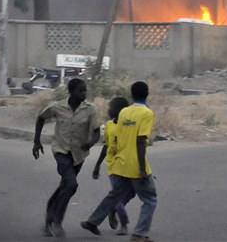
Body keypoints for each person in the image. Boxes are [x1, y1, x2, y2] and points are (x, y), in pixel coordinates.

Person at [81, 81, 157, 242]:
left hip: (121, 163)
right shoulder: (147, 113)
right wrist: (142, 169)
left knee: (114, 195)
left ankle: (92, 221)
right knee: (150, 199)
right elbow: (140, 141)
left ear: (131, 94)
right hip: (136, 165)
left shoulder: (123, 113)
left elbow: (119, 139)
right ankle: (139, 234)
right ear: (147, 93)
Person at [32, 78, 102, 238]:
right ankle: (57, 221)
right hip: (61, 151)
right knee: (71, 184)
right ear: (71, 92)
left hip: (79, 155)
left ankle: (47, 220)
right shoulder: (58, 107)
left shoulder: (90, 109)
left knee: (65, 186)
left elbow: (97, 131)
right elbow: (41, 117)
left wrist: (90, 143)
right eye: (81, 91)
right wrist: (36, 141)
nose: (84, 93)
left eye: (85, 90)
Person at [92, 97, 135, 236]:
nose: (109, 110)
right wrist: (97, 165)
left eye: (112, 107)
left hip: (128, 165)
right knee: (116, 195)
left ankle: (114, 209)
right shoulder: (109, 125)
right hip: (114, 166)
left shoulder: (128, 126)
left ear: (121, 111)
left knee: (132, 192)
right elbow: (106, 146)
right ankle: (123, 224)